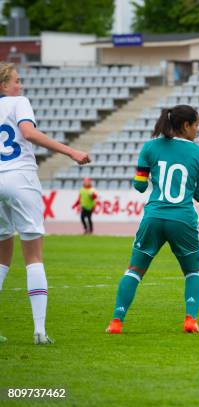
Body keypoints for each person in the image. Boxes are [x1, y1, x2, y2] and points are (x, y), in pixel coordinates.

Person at [0, 62, 90, 344]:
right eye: (16, 80)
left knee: (2, 258)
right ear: (4, 85)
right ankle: (39, 330)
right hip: (20, 177)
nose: (20, 85)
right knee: (33, 257)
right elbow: (28, 133)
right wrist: (70, 151)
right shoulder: (18, 102)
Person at [106, 105, 199, 334]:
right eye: (197, 125)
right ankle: (190, 320)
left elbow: (140, 185)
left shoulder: (150, 147)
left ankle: (116, 320)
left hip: (153, 217)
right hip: (182, 219)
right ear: (186, 125)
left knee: (134, 270)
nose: (198, 130)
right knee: (193, 271)